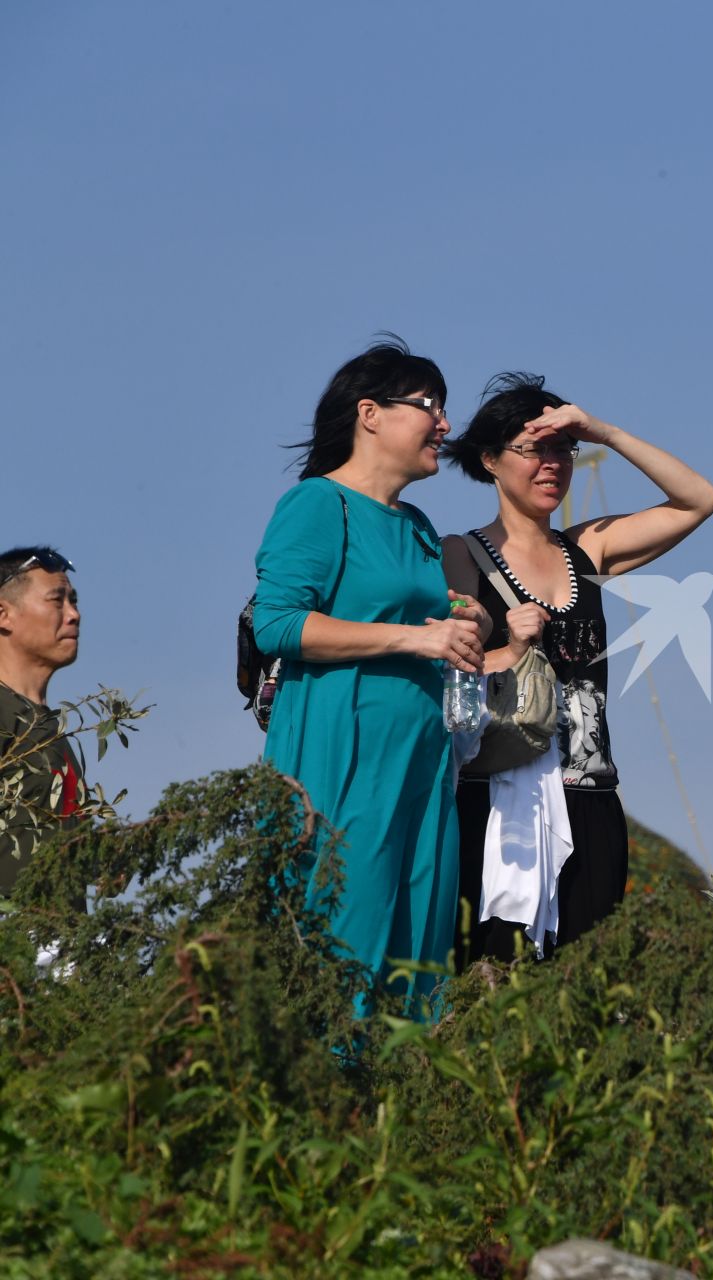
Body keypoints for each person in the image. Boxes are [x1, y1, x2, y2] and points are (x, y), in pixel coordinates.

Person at [442, 373, 713, 965]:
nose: (552, 465)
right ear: (490, 460)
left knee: (588, 983)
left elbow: (699, 499)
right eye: (532, 449)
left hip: (590, 796)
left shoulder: (584, 548)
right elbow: (450, 674)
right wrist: (509, 648)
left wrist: (605, 432)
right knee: (494, 979)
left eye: (563, 449)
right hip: (495, 800)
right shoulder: (458, 556)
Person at [251, 339, 486, 1017]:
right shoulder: (318, 505)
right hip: (342, 756)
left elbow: (420, 622)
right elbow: (279, 625)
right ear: (370, 414)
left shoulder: (416, 525)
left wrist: (461, 625)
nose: (444, 424)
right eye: (429, 406)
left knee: (418, 958)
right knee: (343, 948)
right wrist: (418, 635)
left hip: (423, 762)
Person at [0, 547, 85, 894]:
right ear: (4, 615)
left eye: (74, 601)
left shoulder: (55, 731)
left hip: (67, 939)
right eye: (57, 601)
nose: (74, 614)